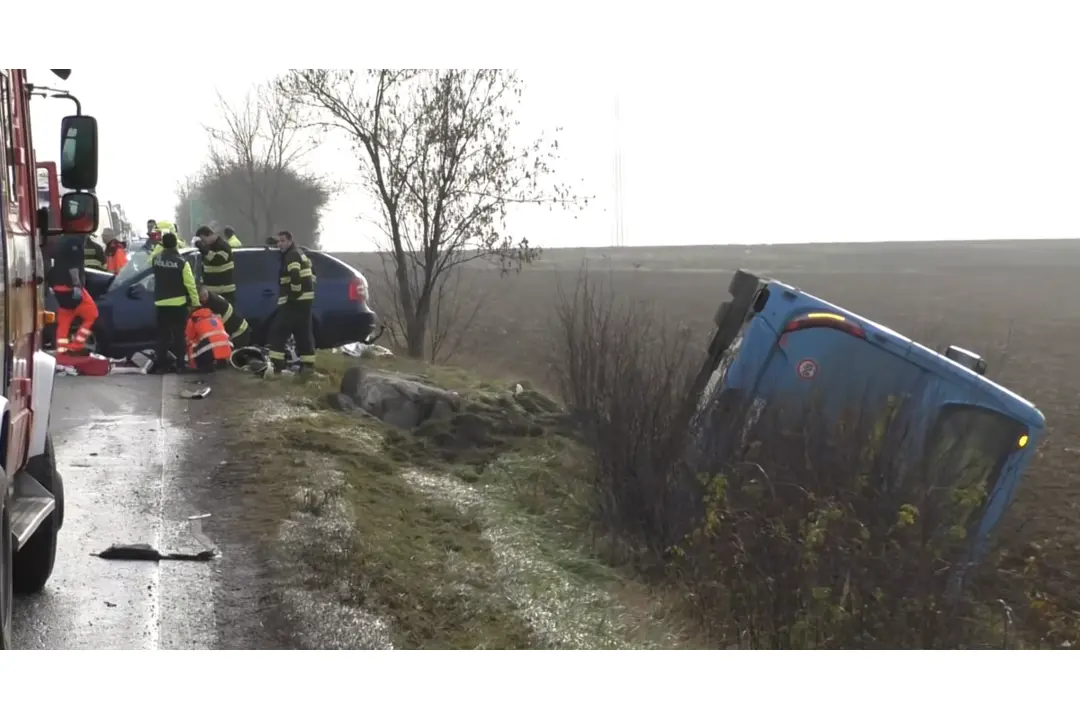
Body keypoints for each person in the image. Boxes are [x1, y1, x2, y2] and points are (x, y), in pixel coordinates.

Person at [266, 230, 316, 376]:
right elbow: (311, 273)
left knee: (279, 330)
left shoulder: (292, 255)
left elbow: (295, 275)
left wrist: (294, 294)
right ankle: (307, 365)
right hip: (304, 301)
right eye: (278, 241)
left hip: (295, 300)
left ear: (289, 241)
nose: (280, 244)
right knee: (303, 332)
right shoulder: (298, 252)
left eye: (282, 241)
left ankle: (276, 365)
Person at [151, 232, 200, 373]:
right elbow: (190, 284)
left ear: (163, 244)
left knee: (162, 337)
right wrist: (195, 302)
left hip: (161, 304)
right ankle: (180, 365)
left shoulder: (156, 259)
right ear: (175, 243)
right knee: (179, 336)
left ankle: (161, 366)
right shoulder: (181, 262)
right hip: (178, 304)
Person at [47, 233, 99, 355]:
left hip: (58, 288)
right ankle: (76, 345)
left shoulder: (61, 241)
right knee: (92, 313)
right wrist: (76, 285)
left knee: (65, 319)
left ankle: (62, 350)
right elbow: (73, 266)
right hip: (70, 286)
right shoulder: (75, 243)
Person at [193, 225, 236, 305]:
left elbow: (217, 260)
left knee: (226, 316)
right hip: (210, 293)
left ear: (210, 234)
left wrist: (202, 248)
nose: (203, 242)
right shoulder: (207, 248)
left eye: (203, 239)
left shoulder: (223, 246)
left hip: (225, 292)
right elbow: (204, 269)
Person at [184, 305, 232, 372]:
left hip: (209, 349)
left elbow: (189, 338)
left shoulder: (193, 320)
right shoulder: (215, 317)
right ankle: (221, 363)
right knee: (211, 340)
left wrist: (191, 363)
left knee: (193, 344)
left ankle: (203, 365)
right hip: (226, 347)